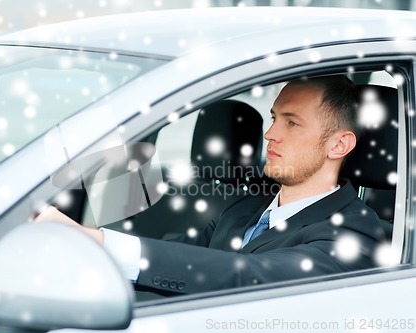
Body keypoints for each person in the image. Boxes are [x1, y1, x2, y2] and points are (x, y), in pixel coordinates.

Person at [35, 75, 386, 294]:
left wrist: (96, 239)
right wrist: (78, 248)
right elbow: (179, 254)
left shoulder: (357, 235)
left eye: (292, 124)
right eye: (274, 118)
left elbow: (248, 277)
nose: (270, 134)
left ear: (338, 145)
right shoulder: (245, 207)